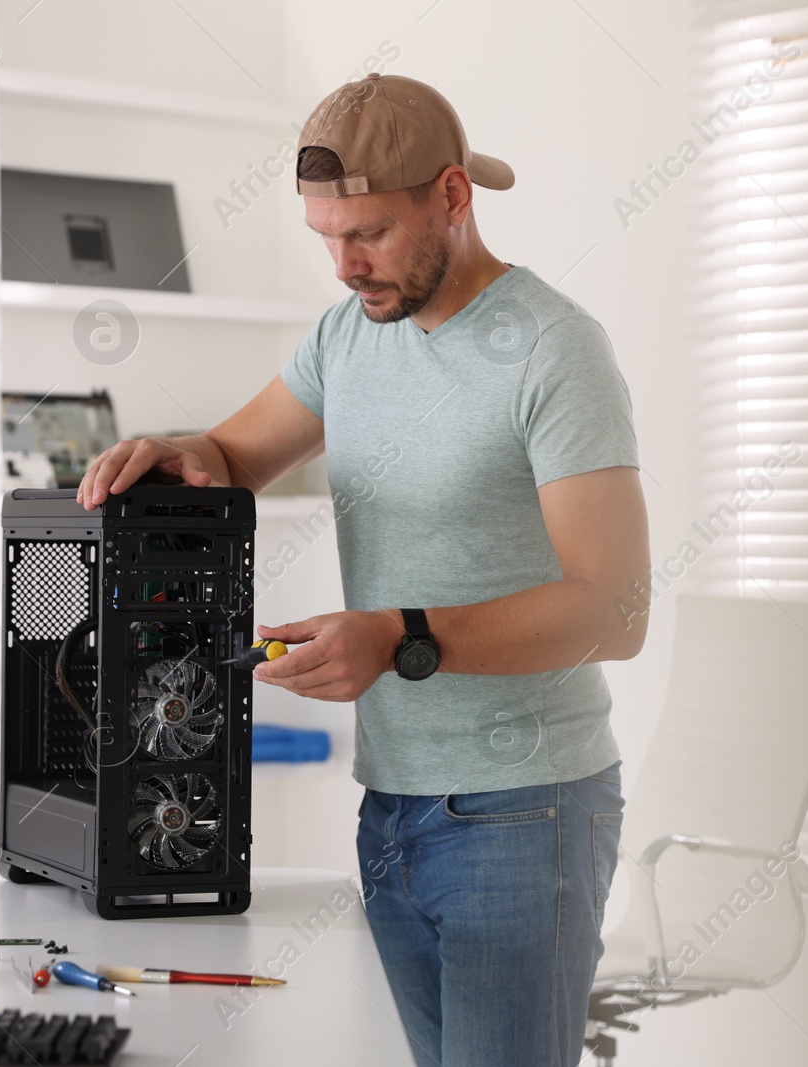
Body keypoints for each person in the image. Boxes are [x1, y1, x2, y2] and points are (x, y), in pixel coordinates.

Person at [75, 73, 650, 1067]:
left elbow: (617, 608)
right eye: (326, 238)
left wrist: (401, 636)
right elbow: (234, 455)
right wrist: (169, 453)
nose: (344, 266)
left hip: (524, 806)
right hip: (391, 799)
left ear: (453, 197)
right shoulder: (349, 333)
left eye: (370, 234)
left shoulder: (555, 350)